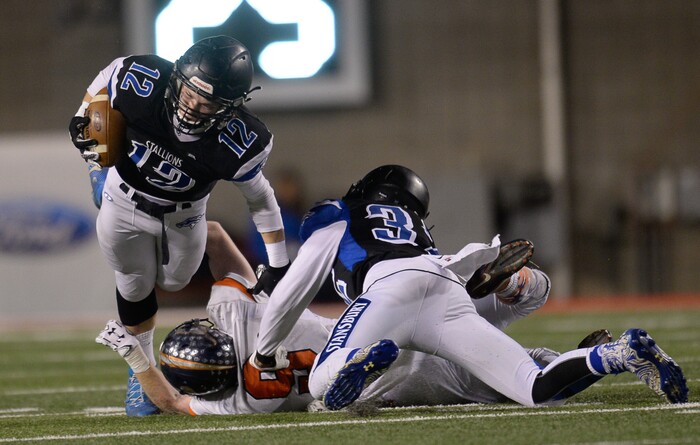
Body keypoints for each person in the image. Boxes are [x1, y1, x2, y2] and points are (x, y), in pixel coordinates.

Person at [250, 164, 688, 410]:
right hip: (444, 287)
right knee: (533, 388)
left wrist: (265, 349)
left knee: (325, 389)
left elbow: (295, 287)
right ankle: (619, 353)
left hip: (388, 292)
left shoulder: (341, 213)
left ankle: (361, 359)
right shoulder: (417, 234)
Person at [97, 221, 602, 415]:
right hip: (378, 318)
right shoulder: (232, 313)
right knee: (521, 310)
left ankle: (563, 354)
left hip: (395, 380)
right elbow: (212, 235)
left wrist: (133, 353)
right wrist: (160, 250)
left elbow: (167, 401)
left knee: (510, 382)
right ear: (215, 336)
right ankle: (517, 293)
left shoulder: (238, 405)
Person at [68, 36, 291, 416]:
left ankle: (212, 233)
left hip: (184, 213)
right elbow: (108, 76)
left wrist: (278, 263)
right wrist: (88, 132)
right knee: (134, 283)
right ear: (177, 77)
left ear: (232, 107)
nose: (194, 105)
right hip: (122, 200)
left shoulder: (239, 139)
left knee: (175, 281)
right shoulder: (145, 81)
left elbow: (261, 199)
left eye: (210, 102)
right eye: (190, 92)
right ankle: (141, 378)